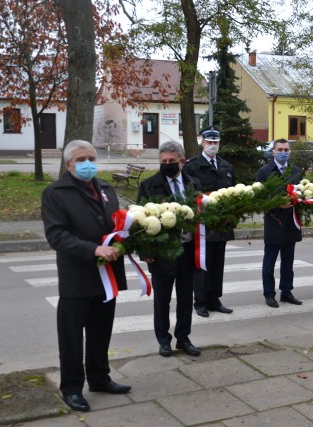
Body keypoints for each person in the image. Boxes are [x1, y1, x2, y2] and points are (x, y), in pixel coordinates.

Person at [41, 140, 131, 412]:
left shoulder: (104, 188)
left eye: (91, 157)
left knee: (100, 332)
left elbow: (115, 224)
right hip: (77, 277)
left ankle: (99, 378)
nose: (87, 163)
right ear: (68, 165)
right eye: (81, 159)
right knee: (71, 338)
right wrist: (93, 250)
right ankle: (71, 389)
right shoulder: (55, 193)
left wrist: (126, 241)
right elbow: (57, 236)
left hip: (106, 276)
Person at [137, 140, 202, 357]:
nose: (167, 164)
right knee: (162, 300)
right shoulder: (148, 185)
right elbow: (140, 223)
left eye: (171, 161)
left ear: (182, 162)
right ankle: (163, 340)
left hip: (186, 251)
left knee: (185, 298)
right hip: (162, 253)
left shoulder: (193, 183)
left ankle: (183, 338)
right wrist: (145, 252)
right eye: (163, 161)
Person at [183, 126, 236, 318]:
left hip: (221, 222)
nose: (212, 145)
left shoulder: (226, 166)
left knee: (218, 264)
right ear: (202, 142)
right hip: (203, 223)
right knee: (202, 263)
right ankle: (201, 301)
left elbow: (233, 193)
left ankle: (215, 299)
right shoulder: (192, 166)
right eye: (209, 142)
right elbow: (189, 194)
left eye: (215, 142)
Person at [255, 138, 304, 308]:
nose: (283, 152)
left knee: (288, 262)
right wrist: (277, 202)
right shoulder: (264, 172)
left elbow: (303, 193)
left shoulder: (296, 171)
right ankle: (269, 294)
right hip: (274, 222)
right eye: (280, 149)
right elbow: (259, 198)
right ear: (273, 151)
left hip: (291, 221)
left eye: (286, 149)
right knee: (269, 262)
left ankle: (286, 291)